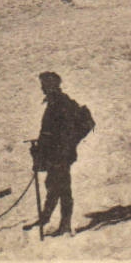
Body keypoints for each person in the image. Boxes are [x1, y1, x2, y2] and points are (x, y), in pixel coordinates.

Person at [25, 71, 92, 237]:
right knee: (53, 185)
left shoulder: (62, 103)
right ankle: (46, 218)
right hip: (54, 154)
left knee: (63, 188)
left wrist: (62, 147)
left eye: (44, 85)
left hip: (60, 154)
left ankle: (65, 224)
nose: (42, 89)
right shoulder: (54, 103)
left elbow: (65, 131)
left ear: (51, 86)